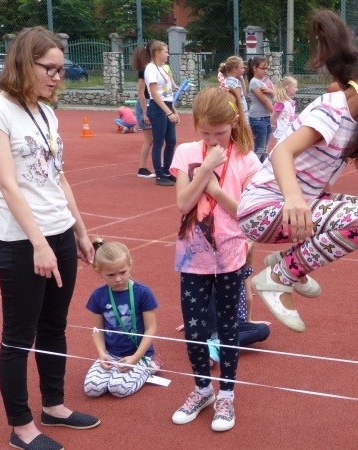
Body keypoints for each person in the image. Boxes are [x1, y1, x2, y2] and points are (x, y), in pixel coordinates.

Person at [237, 8, 358, 333]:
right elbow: (282, 152)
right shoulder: (333, 111)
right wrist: (293, 198)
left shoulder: (354, 119)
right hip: (263, 209)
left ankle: (287, 264)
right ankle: (279, 278)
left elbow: (319, 173)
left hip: (287, 207)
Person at [0, 26, 100, 450]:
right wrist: (39, 243)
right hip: (21, 243)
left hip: (60, 232)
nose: (57, 78)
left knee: (54, 325)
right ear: (23, 63)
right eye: (50, 68)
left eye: (61, 70)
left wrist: (80, 231)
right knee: (17, 334)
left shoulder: (46, 111)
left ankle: (55, 406)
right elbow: (9, 186)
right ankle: (21, 427)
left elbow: (57, 177)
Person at [169, 87, 259, 432]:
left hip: (231, 255)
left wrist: (218, 191)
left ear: (234, 122)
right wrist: (206, 166)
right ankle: (202, 389)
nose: (212, 138)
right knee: (194, 328)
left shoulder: (248, 158)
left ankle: (227, 395)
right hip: (193, 255)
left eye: (219, 132)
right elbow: (183, 203)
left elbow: (247, 214)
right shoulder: (187, 152)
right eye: (205, 132)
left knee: (227, 327)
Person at [84, 239, 161, 398]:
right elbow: (97, 330)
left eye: (123, 272)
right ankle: (118, 370)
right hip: (112, 354)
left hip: (139, 353)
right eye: (111, 275)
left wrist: (136, 357)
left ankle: (150, 365)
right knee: (92, 389)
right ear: (99, 272)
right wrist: (101, 353)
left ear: (130, 265)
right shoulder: (98, 295)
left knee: (118, 389)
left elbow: (150, 328)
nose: (118, 279)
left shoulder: (143, 292)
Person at [145, 40, 179, 186]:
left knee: (171, 141)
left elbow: (169, 94)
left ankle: (166, 170)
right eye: (165, 52)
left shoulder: (164, 68)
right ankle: (159, 174)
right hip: (158, 108)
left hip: (167, 106)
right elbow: (154, 93)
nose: (168, 54)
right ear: (157, 52)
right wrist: (168, 112)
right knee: (159, 141)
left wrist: (174, 111)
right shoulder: (150, 69)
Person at [132, 44, 155, 178]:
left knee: (153, 139)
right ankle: (142, 168)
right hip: (144, 104)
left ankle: (146, 167)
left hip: (150, 103)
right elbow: (141, 92)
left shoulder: (152, 69)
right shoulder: (144, 70)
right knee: (149, 139)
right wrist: (145, 112)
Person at [247, 55, 275, 161]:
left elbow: (276, 94)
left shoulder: (265, 80)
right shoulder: (255, 82)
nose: (265, 71)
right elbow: (264, 100)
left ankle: (262, 166)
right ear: (255, 68)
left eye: (266, 68)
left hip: (266, 117)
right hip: (258, 118)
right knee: (260, 146)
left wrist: (271, 91)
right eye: (262, 68)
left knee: (265, 146)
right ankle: (256, 167)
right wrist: (276, 113)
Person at [218, 56, 249, 121]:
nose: (243, 70)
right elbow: (237, 101)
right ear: (234, 69)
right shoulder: (236, 82)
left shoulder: (225, 80)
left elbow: (243, 94)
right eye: (242, 68)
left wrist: (242, 80)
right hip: (239, 116)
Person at [270, 76, 298, 143]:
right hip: (282, 133)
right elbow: (273, 117)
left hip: (289, 131)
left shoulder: (290, 102)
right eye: (295, 87)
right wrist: (274, 127)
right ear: (288, 88)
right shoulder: (281, 103)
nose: (297, 89)